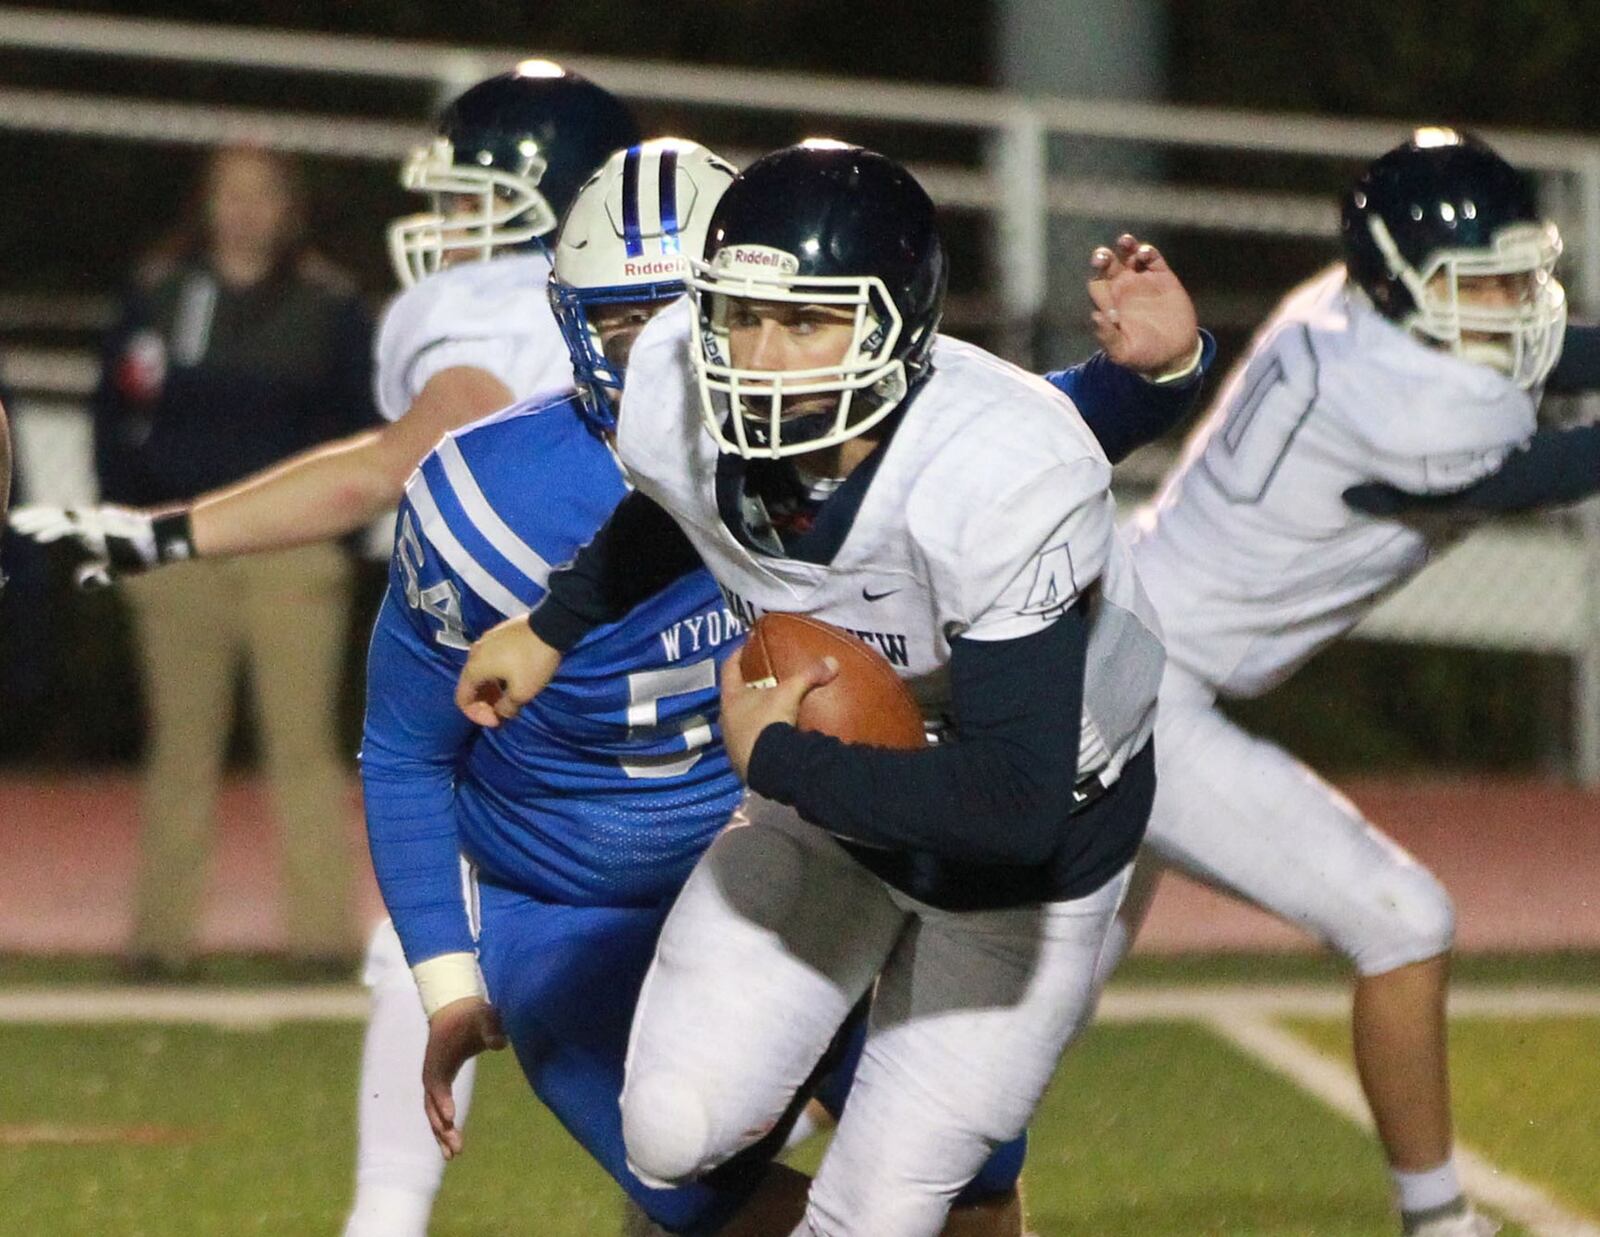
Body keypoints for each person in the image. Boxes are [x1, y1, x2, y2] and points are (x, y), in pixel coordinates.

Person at [453, 141, 1203, 1237]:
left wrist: (781, 762)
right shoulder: (675, 380)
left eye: (807, 322)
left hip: (1033, 845)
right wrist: (552, 625)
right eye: (743, 315)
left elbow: (1014, 806)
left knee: (874, 1217)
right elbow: (681, 506)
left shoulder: (999, 474)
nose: (759, 356)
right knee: (668, 1130)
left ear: (900, 327)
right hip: (836, 807)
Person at [9, 65, 641, 1237]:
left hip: (561, 671)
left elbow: (391, 459)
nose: (449, 227)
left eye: (472, 200)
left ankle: (390, 1222)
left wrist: (165, 532)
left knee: (438, 939)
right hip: (682, 653)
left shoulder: (475, 309)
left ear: (539, 200)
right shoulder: (660, 306)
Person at [1092, 127, 1600, 1237]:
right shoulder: (1420, 408)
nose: (1518, 297)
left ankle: (753, 1145)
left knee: (1011, 1015)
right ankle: (1442, 1223)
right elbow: (1563, 461)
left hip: (1121, 629)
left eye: (1521, 269)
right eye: (1487, 279)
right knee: (1402, 919)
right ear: (1404, 284)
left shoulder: (1350, 303)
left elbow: (1534, 352)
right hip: (1132, 691)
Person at [22, 144, 379, 973]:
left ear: (290, 207)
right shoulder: (158, 295)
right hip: (181, 549)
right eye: (231, 194)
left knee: (302, 750)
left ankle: (323, 942)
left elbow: (363, 435)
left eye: (263, 194)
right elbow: (113, 411)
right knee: (180, 752)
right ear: (206, 204)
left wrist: (333, 538)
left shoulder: (329, 307)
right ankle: (159, 944)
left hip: (291, 557)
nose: (246, 210)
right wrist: (135, 523)